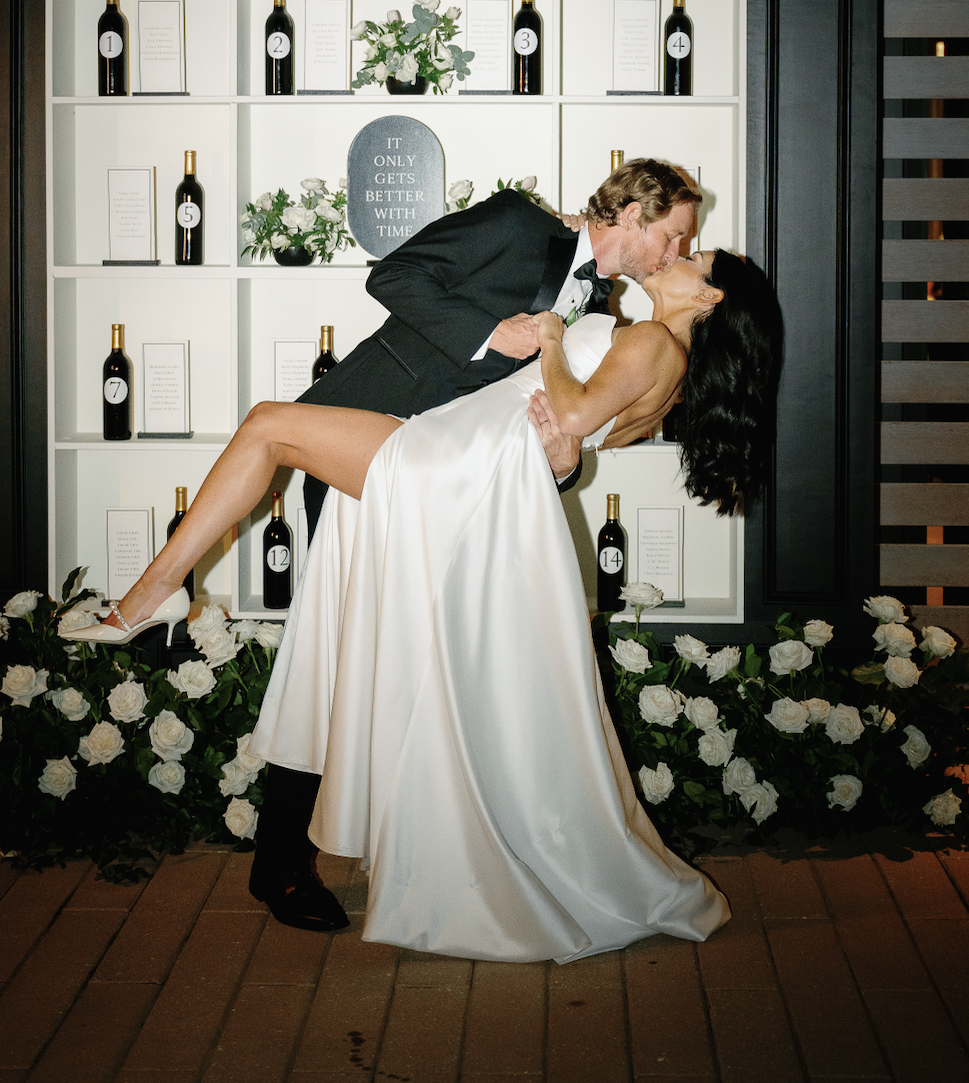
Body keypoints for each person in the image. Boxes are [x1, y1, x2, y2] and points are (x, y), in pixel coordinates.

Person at [62, 246, 783, 963]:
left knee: (267, 426)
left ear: (710, 298)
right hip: (470, 471)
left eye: (696, 257)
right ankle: (293, 831)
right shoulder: (664, 364)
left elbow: (570, 410)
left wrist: (559, 338)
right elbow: (575, 439)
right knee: (338, 606)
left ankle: (149, 597)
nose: (677, 254)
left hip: (449, 467)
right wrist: (567, 451)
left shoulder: (652, 339)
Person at [259, 159, 702, 928]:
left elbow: (518, 426)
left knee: (398, 664)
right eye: (672, 236)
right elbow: (393, 277)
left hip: (435, 496)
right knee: (329, 653)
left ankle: (397, 842)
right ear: (631, 212)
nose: (673, 254)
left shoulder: (600, 313)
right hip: (357, 449)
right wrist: (486, 331)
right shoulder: (514, 223)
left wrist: (566, 468)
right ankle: (279, 864)